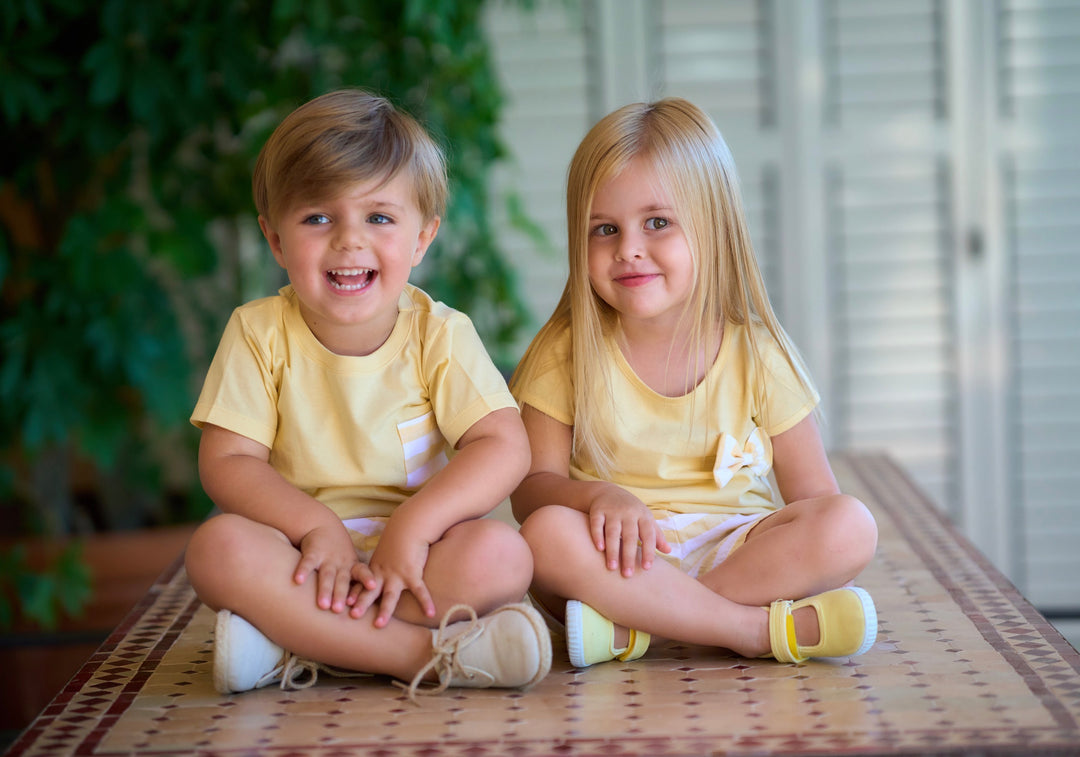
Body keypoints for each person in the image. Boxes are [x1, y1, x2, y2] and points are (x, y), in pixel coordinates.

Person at [184, 89, 550, 700]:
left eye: (379, 217)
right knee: (216, 549)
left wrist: (414, 525)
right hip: (299, 552)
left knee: (504, 554)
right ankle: (422, 653)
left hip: (420, 553)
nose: (349, 241)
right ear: (275, 241)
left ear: (421, 239)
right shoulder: (257, 331)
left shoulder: (441, 334)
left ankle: (294, 642)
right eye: (318, 217)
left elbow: (503, 446)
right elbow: (227, 463)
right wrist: (314, 526)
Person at [509, 97, 879, 668]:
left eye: (657, 223)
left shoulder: (758, 353)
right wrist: (598, 496)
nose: (628, 248)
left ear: (713, 226)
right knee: (545, 535)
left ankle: (643, 629)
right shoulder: (565, 352)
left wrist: (807, 549)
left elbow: (816, 499)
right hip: (618, 559)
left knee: (850, 525)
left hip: (737, 555)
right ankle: (749, 631)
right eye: (604, 229)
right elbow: (531, 488)